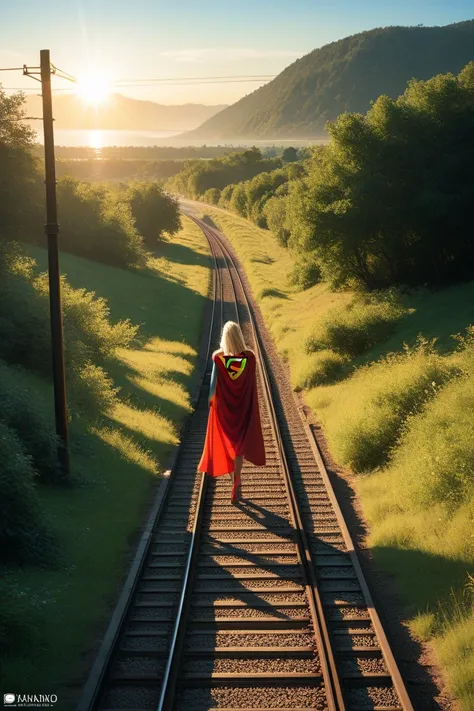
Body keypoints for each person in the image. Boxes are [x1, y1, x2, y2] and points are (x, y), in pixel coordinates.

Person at [198, 321, 266, 502]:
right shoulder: (250, 357)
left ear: (224, 338)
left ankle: (234, 483)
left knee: (227, 446)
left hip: (225, 411)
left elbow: (212, 388)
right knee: (238, 450)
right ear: (239, 336)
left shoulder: (218, 358)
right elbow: (252, 383)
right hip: (243, 409)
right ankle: (237, 482)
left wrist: (211, 405)